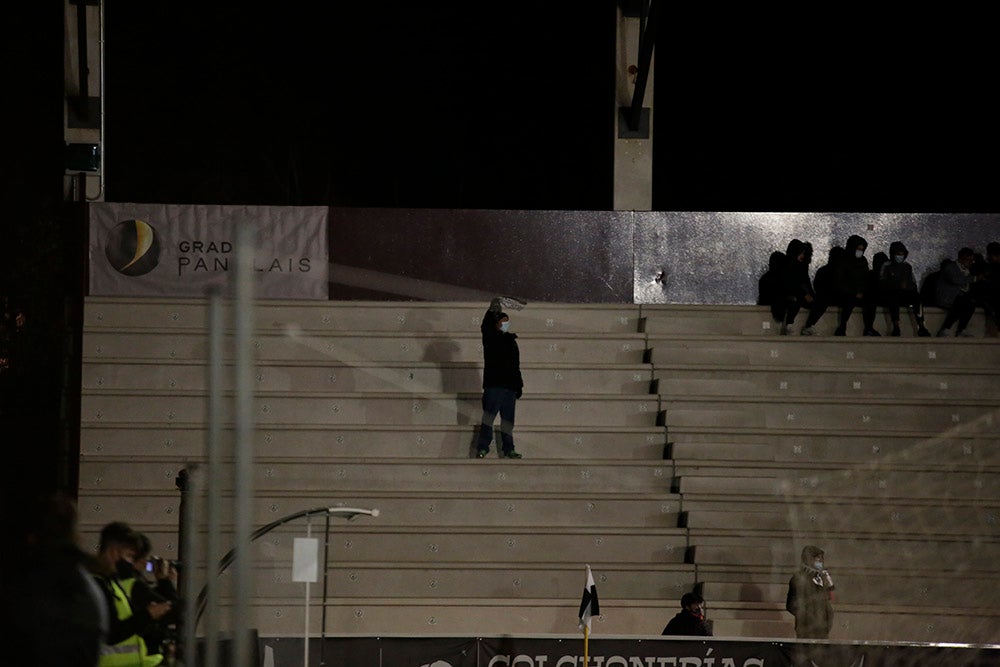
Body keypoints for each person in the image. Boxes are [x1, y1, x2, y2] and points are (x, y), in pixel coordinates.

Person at [93, 521, 172, 667]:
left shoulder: (112, 583)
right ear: (113, 551)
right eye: (129, 556)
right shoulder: (98, 584)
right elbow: (111, 632)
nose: (131, 563)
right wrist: (148, 614)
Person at [475, 297, 524, 459]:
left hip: (509, 386)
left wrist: (519, 386)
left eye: (507, 321)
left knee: (508, 422)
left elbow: (516, 365)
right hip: (494, 385)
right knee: (488, 418)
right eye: (503, 321)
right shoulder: (491, 338)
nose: (506, 324)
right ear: (496, 323)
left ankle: (509, 449)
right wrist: (493, 308)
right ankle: (483, 447)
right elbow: (485, 325)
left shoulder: (511, 341)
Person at [878, 241, 932, 337]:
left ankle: (922, 326)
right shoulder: (887, 265)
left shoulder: (907, 266)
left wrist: (907, 286)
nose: (900, 256)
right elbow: (882, 282)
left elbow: (913, 283)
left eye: (902, 254)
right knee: (893, 297)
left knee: (916, 298)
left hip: (905, 293)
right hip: (891, 293)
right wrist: (897, 285)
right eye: (898, 254)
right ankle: (896, 327)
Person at [774, 240, 824, 336]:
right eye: (800, 253)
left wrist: (811, 295)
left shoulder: (802, 266)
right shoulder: (786, 266)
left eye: (803, 253)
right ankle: (789, 325)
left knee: (821, 302)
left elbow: (806, 282)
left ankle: (809, 326)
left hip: (801, 295)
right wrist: (804, 294)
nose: (802, 256)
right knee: (796, 300)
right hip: (788, 295)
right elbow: (790, 284)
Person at [833, 235, 880, 336]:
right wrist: (854, 292)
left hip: (860, 292)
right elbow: (839, 281)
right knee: (849, 301)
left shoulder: (862, 261)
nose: (860, 251)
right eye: (858, 249)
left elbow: (866, 278)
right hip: (845, 293)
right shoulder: (843, 260)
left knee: (871, 300)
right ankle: (842, 326)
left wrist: (863, 291)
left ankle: (869, 328)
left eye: (862, 249)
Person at [786, 545, 835, 639]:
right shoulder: (798, 578)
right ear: (809, 559)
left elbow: (829, 599)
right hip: (806, 629)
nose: (820, 562)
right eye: (818, 559)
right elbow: (791, 605)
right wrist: (807, 617)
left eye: (821, 559)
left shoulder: (821, 578)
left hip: (822, 629)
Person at [932, 247, 977, 337]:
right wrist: (974, 278)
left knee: (970, 304)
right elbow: (956, 280)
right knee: (961, 303)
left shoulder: (967, 270)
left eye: (972, 260)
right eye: (968, 260)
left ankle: (961, 329)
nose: (970, 262)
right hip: (947, 298)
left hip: (960, 298)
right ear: (961, 259)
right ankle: (945, 328)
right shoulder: (951, 267)